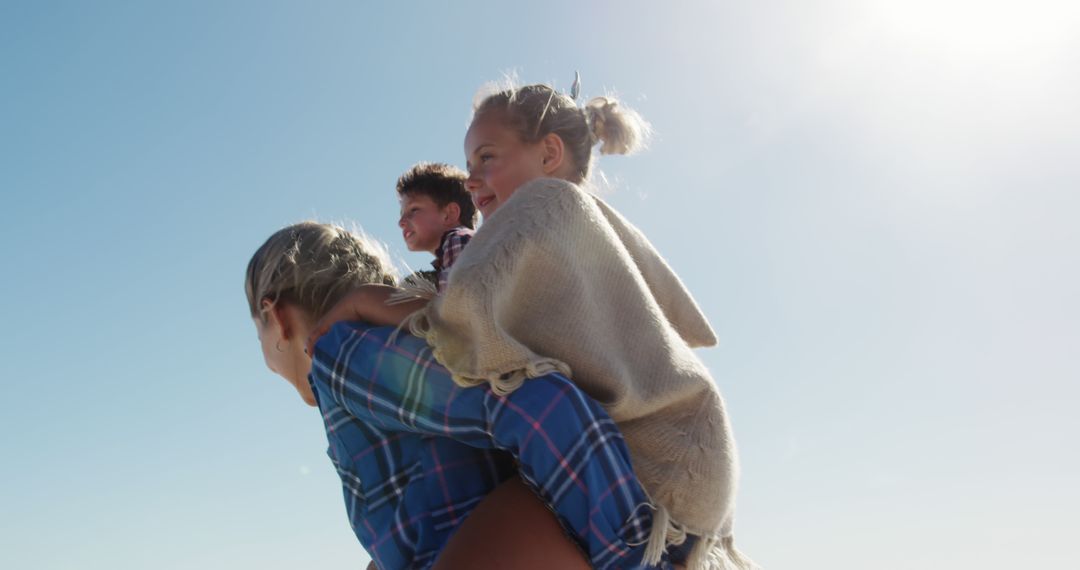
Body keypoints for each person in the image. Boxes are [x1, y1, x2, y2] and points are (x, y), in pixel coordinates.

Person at [310, 82, 754, 569]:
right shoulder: (590, 222)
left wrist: (361, 304)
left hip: (656, 475)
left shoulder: (542, 203)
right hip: (694, 476)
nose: (472, 179)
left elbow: (460, 324)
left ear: (549, 154)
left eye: (487, 158)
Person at [246, 221, 673, 569]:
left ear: (275, 316)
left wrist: (631, 557)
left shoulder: (341, 354)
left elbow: (543, 408)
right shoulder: (364, 373)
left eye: (257, 331)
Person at [395, 162, 477, 291]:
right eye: (402, 214)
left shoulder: (458, 239)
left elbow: (457, 304)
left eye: (414, 209)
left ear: (449, 214)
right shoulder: (454, 250)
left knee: (363, 297)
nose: (401, 222)